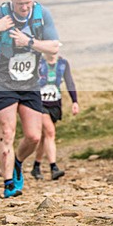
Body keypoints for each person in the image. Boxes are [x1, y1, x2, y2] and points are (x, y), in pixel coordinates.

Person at [0, 0, 60, 198]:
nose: (24, 7)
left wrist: (29, 42)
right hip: (4, 83)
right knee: (7, 132)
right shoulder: (1, 14)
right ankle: (8, 184)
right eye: (20, 3)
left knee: (33, 136)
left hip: (30, 84)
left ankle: (18, 163)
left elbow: (54, 46)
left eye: (28, 2)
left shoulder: (42, 15)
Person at [31, 52, 79, 181]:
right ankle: (54, 167)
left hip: (55, 104)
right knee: (50, 132)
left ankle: (36, 166)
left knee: (44, 137)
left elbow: (69, 82)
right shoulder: (38, 62)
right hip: (39, 103)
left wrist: (75, 101)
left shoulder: (63, 64)